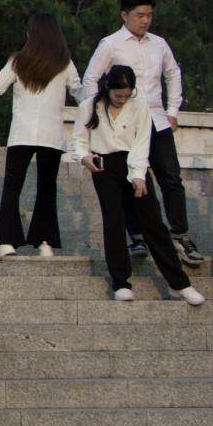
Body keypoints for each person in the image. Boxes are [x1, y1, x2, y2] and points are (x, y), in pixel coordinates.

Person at [81, 0, 203, 266]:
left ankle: (180, 235)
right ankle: (136, 235)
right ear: (124, 15)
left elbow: (173, 74)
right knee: (129, 181)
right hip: (125, 125)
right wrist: (98, 114)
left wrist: (172, 110)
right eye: (139, 15)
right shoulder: (110, 44)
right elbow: (90, 79)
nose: (145, 20)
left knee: (170, 177)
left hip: (157, 121)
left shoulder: (159, 44)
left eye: (149, 15)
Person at [72, 66, 203, 305]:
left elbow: (142, 142)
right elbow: (79, 140)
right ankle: (121, 282)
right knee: (114, 222)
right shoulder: (89, 106)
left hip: (133, 164)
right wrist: (83, 157)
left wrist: (138, 176)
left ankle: (179, 284)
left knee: (153, 222)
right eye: (117, 95)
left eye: (126, 95)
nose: (122, 100)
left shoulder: (140, 105)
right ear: (108, 88)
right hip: (103, 168)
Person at [0, 13, 83, 257]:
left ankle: (7, 242)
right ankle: (45, 243)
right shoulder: (64, 63)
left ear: (31, 33)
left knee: (12, 187)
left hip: (21, 134)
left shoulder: (18, 61)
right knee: (46, 189)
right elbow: (79, 92)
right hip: (52, 136)